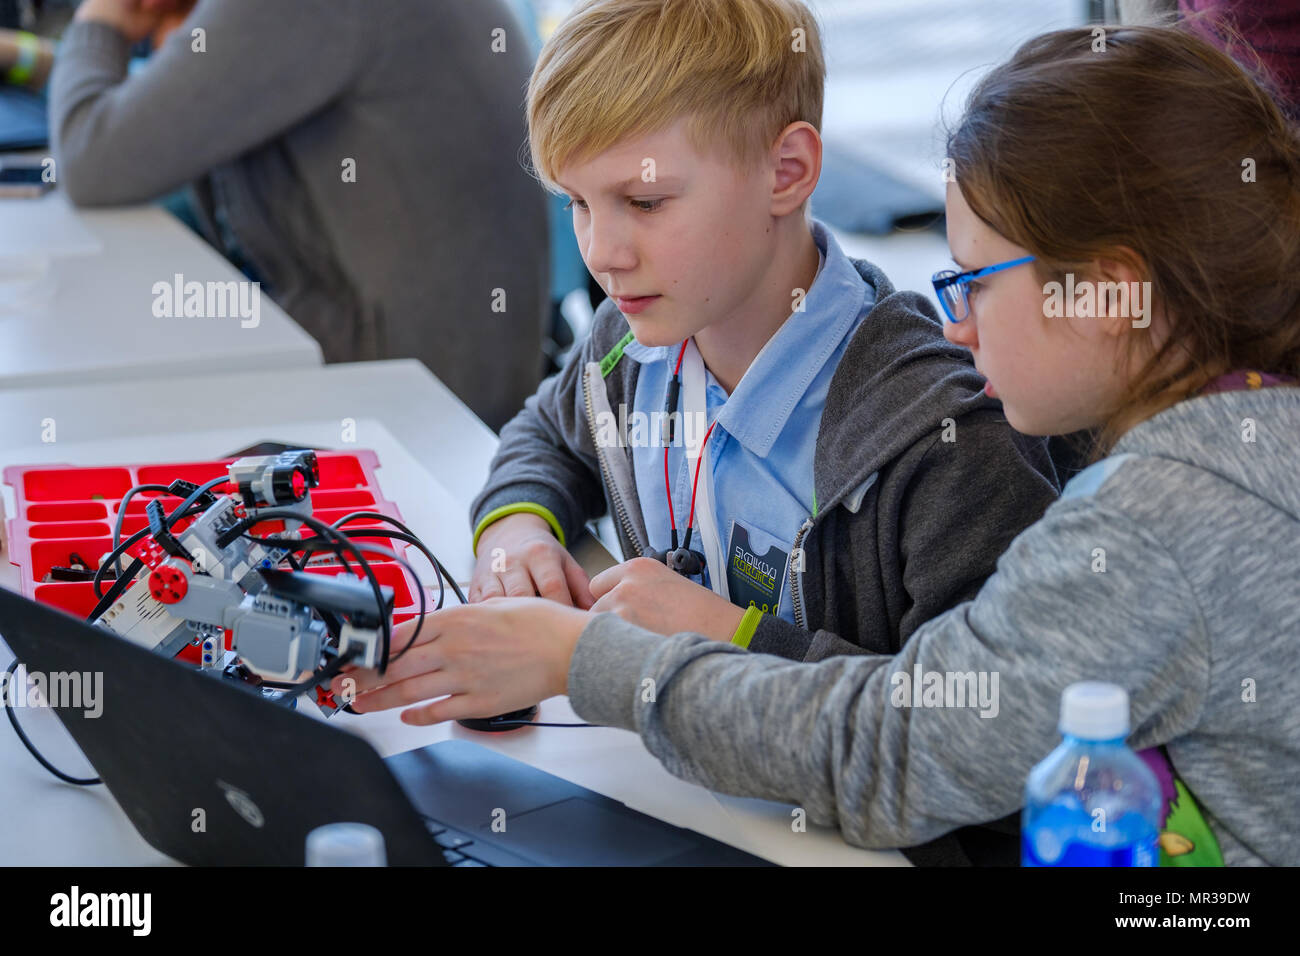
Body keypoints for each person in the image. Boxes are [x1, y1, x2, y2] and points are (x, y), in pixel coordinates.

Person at [337, 23, 1300, 866]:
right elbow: (552, 429)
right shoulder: (1236, 441)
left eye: (973, 282)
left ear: (1105, 293)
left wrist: (597, 658)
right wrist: (524, 536)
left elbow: (903, 753)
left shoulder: (1141, 522)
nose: (954, 325)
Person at [466, 0, 1058, 673]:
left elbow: (974, 721)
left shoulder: (943, 438)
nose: (603, 253)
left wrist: (734, 640)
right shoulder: (630, 340)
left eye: (646, 202)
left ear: (787, 171)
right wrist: (516, 530)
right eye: (577, 202)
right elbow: (547, 434)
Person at [47, 0, 549, 431]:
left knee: (91, 408)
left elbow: (93, 162)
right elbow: (151, 139)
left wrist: (101, 19)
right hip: (435, 376)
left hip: (410, 409)